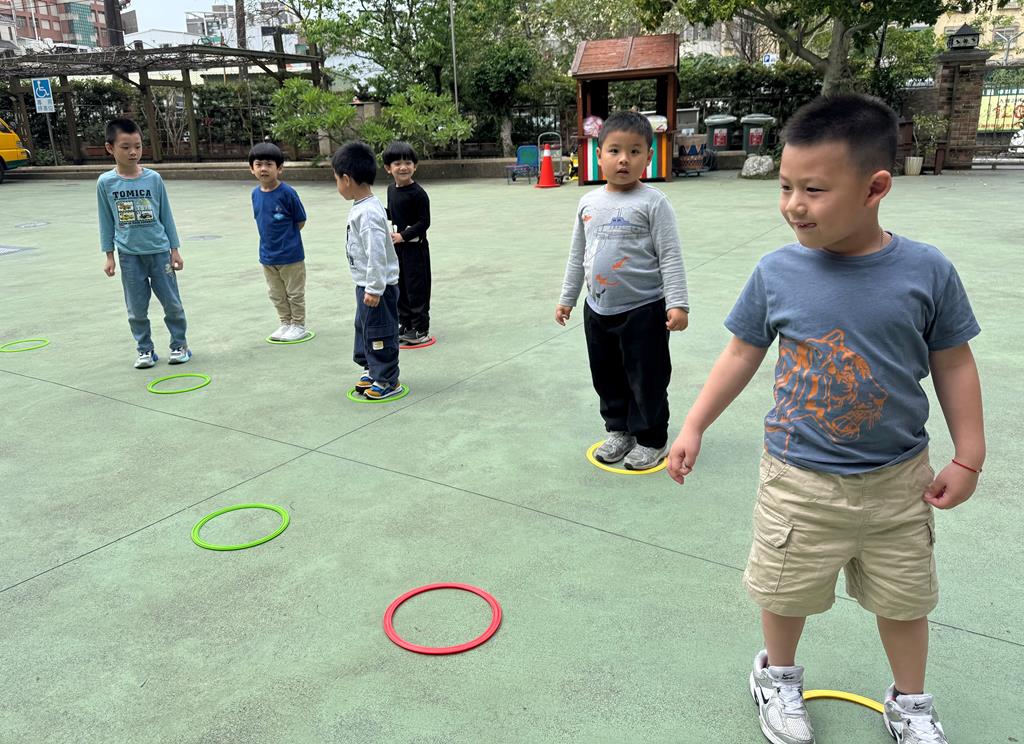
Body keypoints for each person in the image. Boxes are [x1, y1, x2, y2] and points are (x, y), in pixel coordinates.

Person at [667, 94, 984, 744]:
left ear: (875, 188)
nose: (793, 205)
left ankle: (911, 701)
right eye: (785, 186)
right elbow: (741, 353)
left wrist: (969, 454)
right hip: (799, 480)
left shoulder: (926, 271)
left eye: (813, 189)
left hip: (900, 481)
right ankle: (777, 677)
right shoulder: (777, 272)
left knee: (906, 599)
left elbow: (954, 362)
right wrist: (694, 423)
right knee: (785, 591)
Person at [555, 111, 689, 471]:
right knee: (606, 374)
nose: (624, 160)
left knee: (647, 377)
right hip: (598, 308)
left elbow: (670, 255)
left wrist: (677, 303)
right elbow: (578, 255)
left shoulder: (653, 202)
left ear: (649, 156)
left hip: (644, 309)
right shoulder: (588, 202)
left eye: (634, 151)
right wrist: (568, 298)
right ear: (599, 155)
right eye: (614, 151)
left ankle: (652, 438)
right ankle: (619, 430)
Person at [97, 118, 191, 369]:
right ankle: (145, 350)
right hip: (129, 256)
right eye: (126, 147)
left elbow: (166, 215)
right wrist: (109, 255)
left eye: (137, 146)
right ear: (110, 148)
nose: (133, 152)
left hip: (160, 252)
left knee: (172, 303)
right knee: (136, 309)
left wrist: (175, 250)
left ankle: (179, 345)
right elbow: (106, 220)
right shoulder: (106, 183)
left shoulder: (154, 179)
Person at [332, 142, 402, 399]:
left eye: (336, 179)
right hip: (365, 283)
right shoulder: (362, 207)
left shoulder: (369, 213)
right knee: (364, 327)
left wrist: (374, 288)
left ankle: (387, 379)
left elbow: (377, 254)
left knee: (380, 331)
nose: (337, 185)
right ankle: (372, 368)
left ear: (347, 179)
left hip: (377, 288)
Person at [249, 141, 309, 342]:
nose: (263, 169)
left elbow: (300, 220)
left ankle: (298, 324)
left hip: (290, 255)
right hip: (267, 255)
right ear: (251, 169)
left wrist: (287, 240)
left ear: (279, 168)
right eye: (258, 164)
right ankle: (285, 322)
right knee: (276, 293)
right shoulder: (255, 194)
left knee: (294, 292)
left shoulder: (287, 193)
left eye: (269, 164)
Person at [382, 141, 432, 345]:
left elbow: (424, 222)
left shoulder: (418, 193)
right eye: (397, 163)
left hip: (415, 249)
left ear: (415, 166)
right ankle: (406, 323)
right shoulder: (391, 190)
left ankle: (420, 329)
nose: (403, 167)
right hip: (398, 249)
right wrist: (378, 212)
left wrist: (403, 235)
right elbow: (393, 213)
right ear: (388, 168)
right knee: (400, 285)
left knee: (416, 287)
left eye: (408, 163)